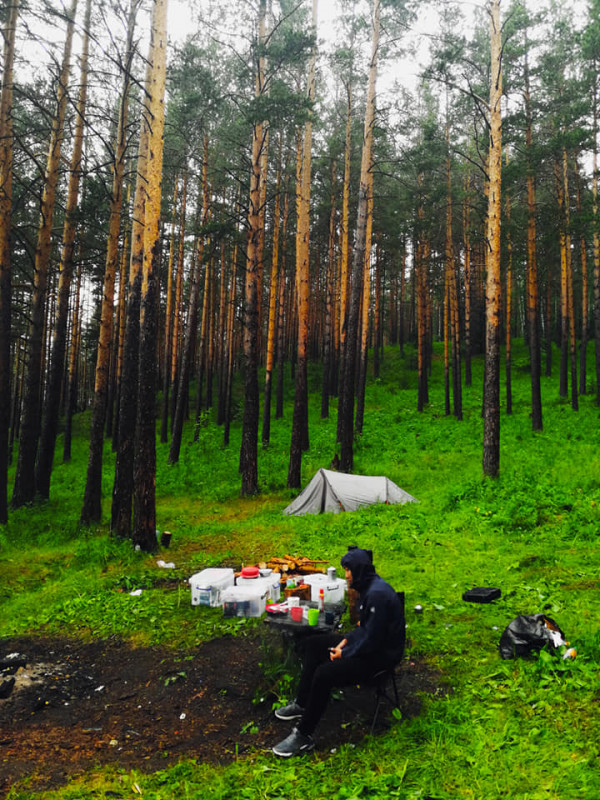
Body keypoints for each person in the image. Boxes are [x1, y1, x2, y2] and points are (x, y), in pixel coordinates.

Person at [272, 547, 405, 757]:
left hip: (380, 658)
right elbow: (366, 629)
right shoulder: (370, 588)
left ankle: (303, 735)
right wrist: (346, 640)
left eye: (348, 570)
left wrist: (345, 653)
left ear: (358, 570)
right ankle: (302, 703)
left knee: (324, 674)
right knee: (315, 644)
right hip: (371, 646)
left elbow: (374, 640)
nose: (346, 575)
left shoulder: (377, 595)